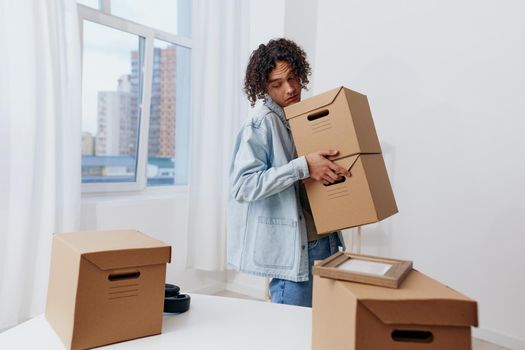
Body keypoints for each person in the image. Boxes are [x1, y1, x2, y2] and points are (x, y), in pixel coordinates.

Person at [227, 38, 351, 307]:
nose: (291, 88)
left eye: (293, 78)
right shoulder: (261, 124)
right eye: (277, 84)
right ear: (263, 87)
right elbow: (243, 186)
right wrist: (304, 166)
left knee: (319, 328)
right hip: (295, 248)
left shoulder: (301, 117)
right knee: (288, 333)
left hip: (324, 239)